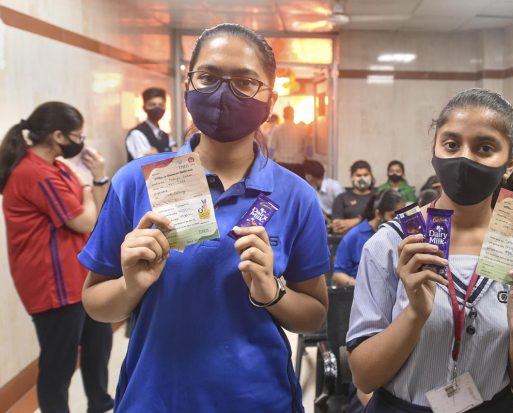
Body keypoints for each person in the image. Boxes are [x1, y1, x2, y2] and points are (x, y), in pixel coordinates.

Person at [79, 24, 329, 412]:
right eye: (209, 77)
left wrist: (271, 293)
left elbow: (314, 313)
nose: (224, 94)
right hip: (156, 397)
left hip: (259, 399)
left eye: (245, 82)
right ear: (188, 85)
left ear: (270, 98)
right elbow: (95, 302)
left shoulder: (296, 197)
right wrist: (132, 285)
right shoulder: (135, 183)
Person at [346, 88, 513, 412]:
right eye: (451, 144)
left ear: (509, 163)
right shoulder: (393, 244)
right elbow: (364, 377)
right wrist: (415, 314)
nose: (464, 158)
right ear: (435, 149)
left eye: (484, 147)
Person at [0, 102, 114, 413]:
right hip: (54, 285)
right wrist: (89, 189)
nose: (82, 141)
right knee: (59, 365)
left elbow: (97, 214)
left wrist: (98, 180)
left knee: (98, 348)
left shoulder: (58, 167)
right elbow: (84, 221)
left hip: (79, 275)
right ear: (58, 136)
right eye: (78, 135)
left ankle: (100, 404)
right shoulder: (34, 173)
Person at [333, 190, 405, 287]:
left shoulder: (402, 234)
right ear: (379, 214)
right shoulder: (354, 236)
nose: (398, 221)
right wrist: (364, 288)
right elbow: (338, 275)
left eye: (402, 216)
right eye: (393, 216)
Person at [125, 87, 177, 161]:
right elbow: (146, 163)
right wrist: (168, 152)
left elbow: (177, 156)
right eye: (152, 105)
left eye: (161, 105)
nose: (157, 109)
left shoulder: (166, 136)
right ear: (144, 107)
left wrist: (157, 154)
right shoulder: (137, 134)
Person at [332, 160, 375, 235]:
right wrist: (368, 221)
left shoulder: (377, 197)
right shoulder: (342, 198)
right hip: (349, 241)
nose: (362, 178)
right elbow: (337, 228)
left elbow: (381, 223)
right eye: (358, 175)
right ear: (352, 177)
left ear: (371, 176)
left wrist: (357, 221)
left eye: (365, 175)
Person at [270, 105, 308, 176]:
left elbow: (271, 149)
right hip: (298, 167)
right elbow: (307, 149)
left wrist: (268, 163)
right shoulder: (301, 130)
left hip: (281, 166)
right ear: (293, 115)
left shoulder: (277, 130)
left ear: (283, 115)